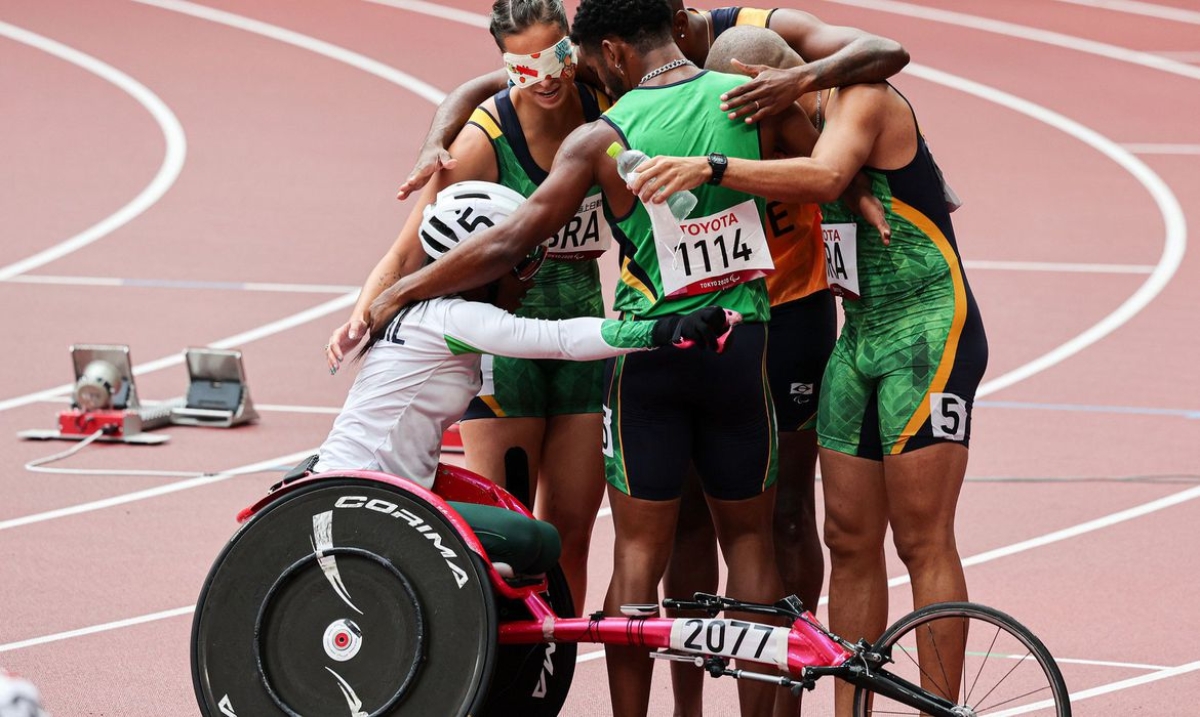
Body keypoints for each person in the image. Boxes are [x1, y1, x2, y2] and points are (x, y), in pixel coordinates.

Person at [362, 0, 872, 712]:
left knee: (638, 556)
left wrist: (401, 289)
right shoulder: (746, 100)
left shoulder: (601, 136)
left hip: (650, 357)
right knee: (751, 546)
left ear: (614, 51)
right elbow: (824, 169)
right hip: (740, 346)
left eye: (589, 61)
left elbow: (512, 240)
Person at [628, 37, 988, 717]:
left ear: (769, 83)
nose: (737, 132)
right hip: (859, 336)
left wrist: (710, 165)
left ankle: (940, 710)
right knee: (846, 538)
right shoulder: (798, 127)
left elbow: (825, 173)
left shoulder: (862, 99)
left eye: (742, 111)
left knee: (920, 538)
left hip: (928, 331)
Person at [326, 0, 614, 616]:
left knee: (572, 530)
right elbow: (407, 251)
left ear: (572, 47)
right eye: (525, 69)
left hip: (581, 332)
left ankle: (552, 657)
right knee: (506, 534)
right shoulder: (485, 138)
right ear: (507, 67)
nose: (546, 80)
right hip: (500, 346)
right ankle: (497, 656)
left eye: (555, 59)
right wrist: (362, 314)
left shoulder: (604, 103)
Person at [314, 182, 739, 575]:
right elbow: (561, 339)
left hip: (376, 488)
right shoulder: (450, 318)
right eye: (522, 264)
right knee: (535, 540)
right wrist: (668, 330)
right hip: (366, 498)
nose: (530, 280)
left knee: (521, 533)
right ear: (478, 269)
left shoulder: (421, 311)